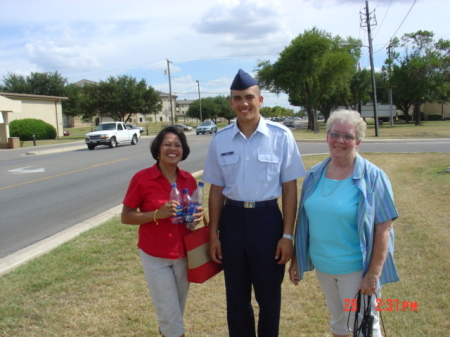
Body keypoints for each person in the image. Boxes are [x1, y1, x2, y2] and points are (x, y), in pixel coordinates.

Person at [203, 69, 306, 337]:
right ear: (231, 103)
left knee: (269, 297)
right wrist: (214, 234)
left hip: (267, 222)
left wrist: (287, 235)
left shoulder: (281, 136)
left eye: (249, 97)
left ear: (260, 100)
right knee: (236, 298)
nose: (243, 103)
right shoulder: (220, 139)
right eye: (237, 98)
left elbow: (289, 189)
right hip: (233, 222)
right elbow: (216, 190)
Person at [289, 110, 399, 337]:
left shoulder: (373, 177)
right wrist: (297, 259)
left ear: (358, 141)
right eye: (334, 134)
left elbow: (384, 228)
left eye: (347, 137)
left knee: (365, 327)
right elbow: (304, 220)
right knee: (338, 323)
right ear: (327, 136)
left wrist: (373, 274)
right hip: (324, 267)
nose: (340, 141)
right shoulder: (314, 174)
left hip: (356, 271)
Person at [121, 126, 203, 337]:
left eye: (177, 145)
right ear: (158, 149)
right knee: (170, 315)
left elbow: (189, 220)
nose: (172, 149)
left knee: (175, 311)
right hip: (155, 256)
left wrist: (194, 219)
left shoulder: (188, 180)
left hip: (184, 254)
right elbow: (126, 216)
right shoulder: (142, 178)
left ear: (183, 151)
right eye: (167, 144)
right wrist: (157, 213)